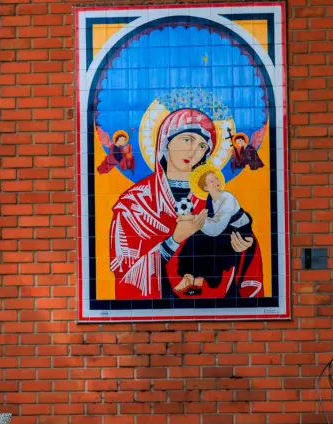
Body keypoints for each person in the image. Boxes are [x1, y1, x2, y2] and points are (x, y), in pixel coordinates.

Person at [109, 108, 264, 300]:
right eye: (187, 139)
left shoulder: (213, 196)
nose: (193, 151)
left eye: (201, 146)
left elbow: (241, 237)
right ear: (166, 143)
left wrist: (244, 246)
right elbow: (123, 269)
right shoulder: (134, 203)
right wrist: (173, 240)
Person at [174, 164, 255, 295]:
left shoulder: (227, 198)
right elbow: (210, 221)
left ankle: (197, 280)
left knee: (208, 242)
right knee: (196, 239)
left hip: (238, 233)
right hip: (224, 230)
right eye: (211, 181)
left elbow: (216, 227)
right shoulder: (211, 199)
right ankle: (190, 278)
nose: (216, 182)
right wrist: (188, 219)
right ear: (205, 187)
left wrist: (193, 219)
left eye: (216, 178)